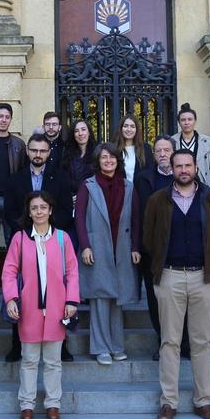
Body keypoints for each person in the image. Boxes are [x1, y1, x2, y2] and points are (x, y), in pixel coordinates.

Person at [141, 149, 210, 419]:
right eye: (178, 166)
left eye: (187, 165)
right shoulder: (158, 200)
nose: (183, 170)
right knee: (170, 341)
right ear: (172, 169)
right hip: (170, 277)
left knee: (202, 341)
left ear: (195, 168)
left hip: (203, 278)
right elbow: (149, 238)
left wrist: (207, 261)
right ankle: (169, 402)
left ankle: (203, 401)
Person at [2, 191, 79, 419]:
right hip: (29, 309)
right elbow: (9, 271)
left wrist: (71, 301)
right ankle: (27, 405)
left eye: (43, 207)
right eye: (34, 208)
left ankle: (53, 404)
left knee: (54, 361)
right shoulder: (20, 238)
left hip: (56, 309)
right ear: (29, 211)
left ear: (50, 210)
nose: (39, 212)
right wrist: (11, 299)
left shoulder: (62, 238)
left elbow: (72, 271)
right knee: (29, 359)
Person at [4, 133, 76, 362]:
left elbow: (66, 210)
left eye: (42, 150)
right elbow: (10, 210)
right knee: (22, 291)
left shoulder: (62, 178)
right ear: (27, 151)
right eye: (34, 150)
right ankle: (18, 345)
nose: (38, 154)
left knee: (56, 291)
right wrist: (28, 228)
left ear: (49, 152)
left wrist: (48, 229)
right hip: (24, 239)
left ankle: (61, 345)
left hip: (53, 240)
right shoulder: (15, 179)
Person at [76, 144, 140, 365]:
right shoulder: (88, 185)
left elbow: (135, 219)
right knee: (100, 298)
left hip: (121, 245)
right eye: (104, 157)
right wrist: (85, 246)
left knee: (117, 298)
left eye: (112, 157)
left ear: (118, 160)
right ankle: (101, 348)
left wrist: (135, 247)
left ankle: (117, 346)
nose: (109, 161)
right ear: (98, 161)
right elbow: (80, 218)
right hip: (97, 246)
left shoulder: (128, 186)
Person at [133, 136, 179, 361]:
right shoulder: (143, 180)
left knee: (180, 299)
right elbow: (137, 215)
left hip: (181, 249)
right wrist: (138, 246)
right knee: (155, 298)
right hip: (152, 250)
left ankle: (183, 342)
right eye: (158, 151)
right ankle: (163, 341)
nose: (162, 154)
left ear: (173, 152)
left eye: (166, 150)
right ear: (154, 155)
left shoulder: (187, 177)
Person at [0, 102, 26, 255]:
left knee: (12, 240)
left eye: (7, 117)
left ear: (11, 119)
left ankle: (11, 277)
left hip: (10, 199)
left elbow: (22, 172)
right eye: (0, 116)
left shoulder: (19, 144)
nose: (3, 120)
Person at [170, 103, 210, 188]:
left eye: (190, 119)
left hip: (203, 185)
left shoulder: (207, 142)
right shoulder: (172, 141)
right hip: (180, 184)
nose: (186, 122)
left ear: (195, 121)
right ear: (179, 122)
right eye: (183, 120)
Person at [113, 115, 153, 182]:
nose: (129, 129)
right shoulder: (114, 148)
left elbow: (150, 171)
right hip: (119, 190)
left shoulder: (146, 148)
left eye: (132, 126)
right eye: (125, 126)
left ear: (136, 129)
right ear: (121, 128)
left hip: (141, 190)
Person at [61, 118, 96, 188]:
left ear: (89, 132)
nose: (80, 133)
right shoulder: (67, 154)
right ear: (73, 135)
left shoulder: (97, 153)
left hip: (91, 196)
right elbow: (63, 178)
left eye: (83, 129)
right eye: (76, 131)